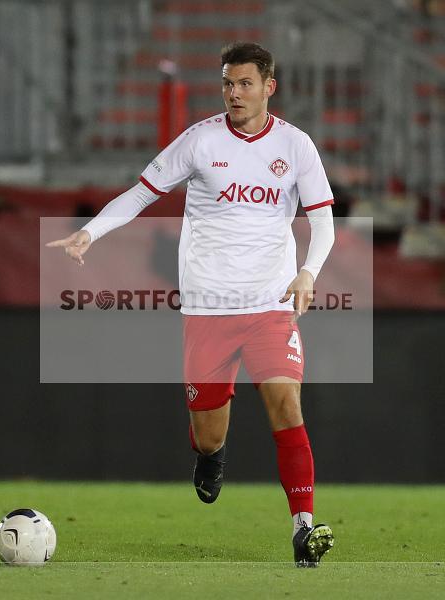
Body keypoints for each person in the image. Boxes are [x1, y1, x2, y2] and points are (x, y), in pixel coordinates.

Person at [47, 42, 336, 567]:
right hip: (208, 310)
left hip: (271, 305)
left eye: (245, 84)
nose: (234, 94)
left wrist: (308, 273)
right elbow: (141, 193)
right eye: (228, 83)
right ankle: (210, 459)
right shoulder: (200, 141)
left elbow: (322, 221)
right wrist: (89, 234)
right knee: (209, 433)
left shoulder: (296, 147)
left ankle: (303, 528)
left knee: (287, 405)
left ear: (269, 87)